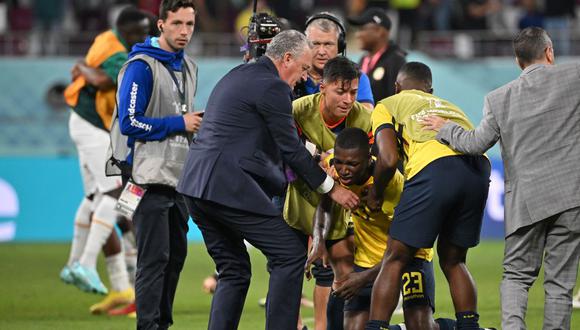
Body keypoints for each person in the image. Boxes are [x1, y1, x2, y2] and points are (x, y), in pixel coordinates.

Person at [177, 30, 360, 330]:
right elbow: (289, 149)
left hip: (195, 186)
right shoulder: (273, 87)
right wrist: (332, 188)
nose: (303, 78)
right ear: (286, 58)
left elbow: (259, 141)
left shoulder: (239, 74)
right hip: (226, 186)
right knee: (290, 254)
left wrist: (307, 160)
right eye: (302, 68)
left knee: (234, 269)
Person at [422, 27, 580, 330]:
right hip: (572, 198)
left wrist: (444, 127)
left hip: (527, 201)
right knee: (560, 282)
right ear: (549, 52)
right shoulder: (574, 78)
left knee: (517, 276)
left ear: (518, 61)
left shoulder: (499, 98)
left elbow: (474, 144)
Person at [365, 62, 491, 330]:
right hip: (478, 169)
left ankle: (376, 327)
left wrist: (375, 193)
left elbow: (388, 159)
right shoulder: (448, 106)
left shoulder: (389, 103)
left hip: (434, 168)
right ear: (430, 89)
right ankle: (469, 326)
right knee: (454, 259)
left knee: (395, 257)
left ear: (397, 87)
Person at [309, 127, 461, 330]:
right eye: (339, 162)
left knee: (420, 326)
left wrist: (363, 278)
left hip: (410, 259)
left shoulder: (393, 187)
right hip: (367, 261)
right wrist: (319, 241)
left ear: (369, 159)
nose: (344, 169)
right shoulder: (335, 168)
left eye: (352, 164)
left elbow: (412, 243)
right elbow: (325, 203)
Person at [112, 0, 201, 328]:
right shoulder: (141, 66)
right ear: (160, 24)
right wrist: (180, 123)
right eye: (177, 23)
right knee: (153, 259)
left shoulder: (189, 66)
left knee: (176, 257)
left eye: (190, 24)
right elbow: (130, 122)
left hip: (179, 178)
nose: (184, 31)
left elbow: (184, 116)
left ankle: (161, 324)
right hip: (145, 178)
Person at [60, 5, 149, 312]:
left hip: (118, 138)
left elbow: (94, 75)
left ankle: (122, 285)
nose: (144, 36)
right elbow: (103, 81)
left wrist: (82, 68)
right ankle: (98, 269)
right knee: (122, 200)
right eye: (139, 31)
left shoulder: (105, 41)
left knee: (107, 199)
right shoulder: (123, 55)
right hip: (120, 139)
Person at [285, 56, 372, 330]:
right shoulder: (297, 110)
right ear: (322, 86)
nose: (348, 99)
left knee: (345, 279)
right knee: (287, 277)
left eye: (353, 92)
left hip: (339, 211)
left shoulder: (364, 118)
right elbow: (283, 152)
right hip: (298, 208)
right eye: (341, 91)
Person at [295, 12, 374, 111]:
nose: (321, 51)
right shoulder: (293, 73)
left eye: (328, 44)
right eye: (315, 44)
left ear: (340, 47)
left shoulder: (355, 76)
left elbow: (367, 115)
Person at [348, 8, 406, 104]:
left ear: (379, 31)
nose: (358, 35)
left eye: (362, 29)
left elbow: (397, 101)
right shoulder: (363, 60)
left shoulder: (396, 61)